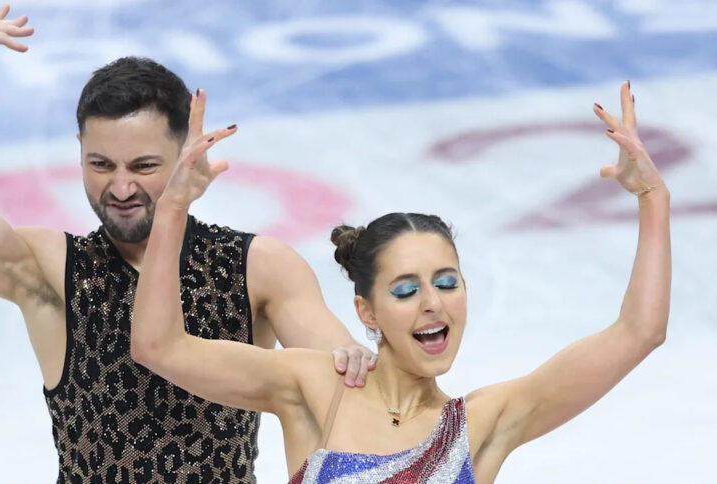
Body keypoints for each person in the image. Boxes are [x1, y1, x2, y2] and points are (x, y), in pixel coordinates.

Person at [0, 6, 375, 482]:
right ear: (80, 153)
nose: (120, 188)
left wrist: (350, 357)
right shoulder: (49, 270)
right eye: (100, 165)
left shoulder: (256, 268)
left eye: (144, 166)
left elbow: (338, 378)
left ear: (187, 153)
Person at [130, 80, 670, 483]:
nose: (433, 304)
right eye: (407, 291)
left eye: (447, 283)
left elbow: (639, 333)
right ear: (367, 312)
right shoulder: (317, 388)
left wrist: (653, 198)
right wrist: (173, 205)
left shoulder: (484, 423)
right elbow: (158, 346)